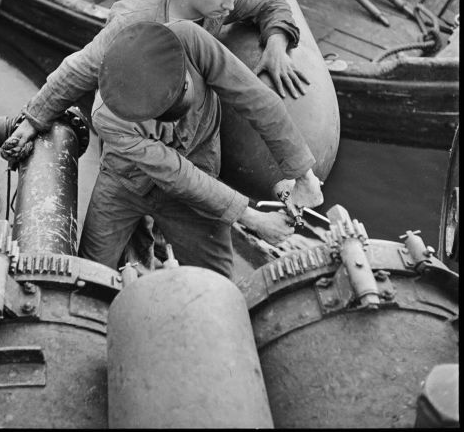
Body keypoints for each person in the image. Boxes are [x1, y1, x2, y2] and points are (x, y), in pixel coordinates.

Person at [1, 0, 309, 159]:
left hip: (195, 133)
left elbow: (271, 3)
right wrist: (33, 121)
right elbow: (80, 68)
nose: (231, 6)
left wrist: (276, 43)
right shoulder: (133, 21)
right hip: (139, 134)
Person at [72, 20, 322, 278]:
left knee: (218, 283)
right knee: (89, 275)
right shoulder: (106, 116)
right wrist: (254, 220)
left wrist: (303, 175)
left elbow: (256, 99)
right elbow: (178, 176)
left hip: (200, 169)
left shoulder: (190, 40)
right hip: (124, 182)